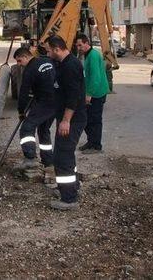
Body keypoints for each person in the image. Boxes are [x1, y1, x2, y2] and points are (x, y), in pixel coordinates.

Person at [46, 35, 87, 210]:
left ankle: (69, 199)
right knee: (65, 154)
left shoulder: (70, 66)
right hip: (68, 118)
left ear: (57, 49)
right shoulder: (63, 63)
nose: (47, 54)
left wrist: (66, 120)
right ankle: (71, 186)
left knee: (62, 156)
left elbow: (74, 96)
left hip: (72, 119)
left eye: (49, 51)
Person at [14, 47, 55, 171]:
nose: (19, 64)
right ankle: (48, 161)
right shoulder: (47, 61)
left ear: (26, 57)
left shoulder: (30, 70)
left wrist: (21, 111)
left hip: (45, 102)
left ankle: (30, 159)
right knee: (43, 130)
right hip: (57, 101)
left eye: (20, 61)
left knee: (26, 128)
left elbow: (23, 93)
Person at [75, 34, 110, 154]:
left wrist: (89, 93)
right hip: (93, 92)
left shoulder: (93, 56)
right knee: (88, 119)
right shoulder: (88, 55)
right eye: (77, 45)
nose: (78, 47)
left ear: (86, 43)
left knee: (94, 120)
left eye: (80, 45)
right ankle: (91, 142)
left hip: (97, 93)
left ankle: (96, 146)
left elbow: (95, 77)